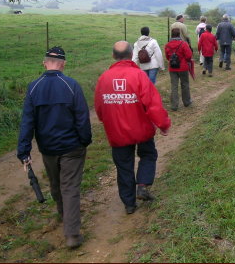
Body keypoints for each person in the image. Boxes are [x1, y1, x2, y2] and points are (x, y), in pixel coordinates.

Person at [17, 46, 92, 249]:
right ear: (63, 64)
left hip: (48, 148)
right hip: (72, 147)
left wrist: (23, 151)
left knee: (56, 184)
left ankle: (63, 214)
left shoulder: (33, 87)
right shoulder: (71, 85)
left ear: (44, 63)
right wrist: (85, 140)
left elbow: (27, 122)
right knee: (70, 187)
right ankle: (72, 233)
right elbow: (82, 117)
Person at [94, 41, 171, 215]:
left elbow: (99, 106)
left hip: (117, 132)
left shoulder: (103, 78)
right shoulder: (139, 76)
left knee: (123, 165)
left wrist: (103, 119)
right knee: (148, 154)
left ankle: (129, 203)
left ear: (113, 56)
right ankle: (142, 185)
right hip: (141, 129)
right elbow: (153, 105)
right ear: (131, 55)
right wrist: (163, 124)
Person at [165, 28, 193, 111]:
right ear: (179, 35)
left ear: (171, 35)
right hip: (183, 67)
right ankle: (186, 102)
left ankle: (174, 105)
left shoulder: (168, 45)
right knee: (184, 84)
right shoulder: (183, 44)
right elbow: (189, 56)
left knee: (174, 86)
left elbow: (167, 57)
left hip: (172, 68)